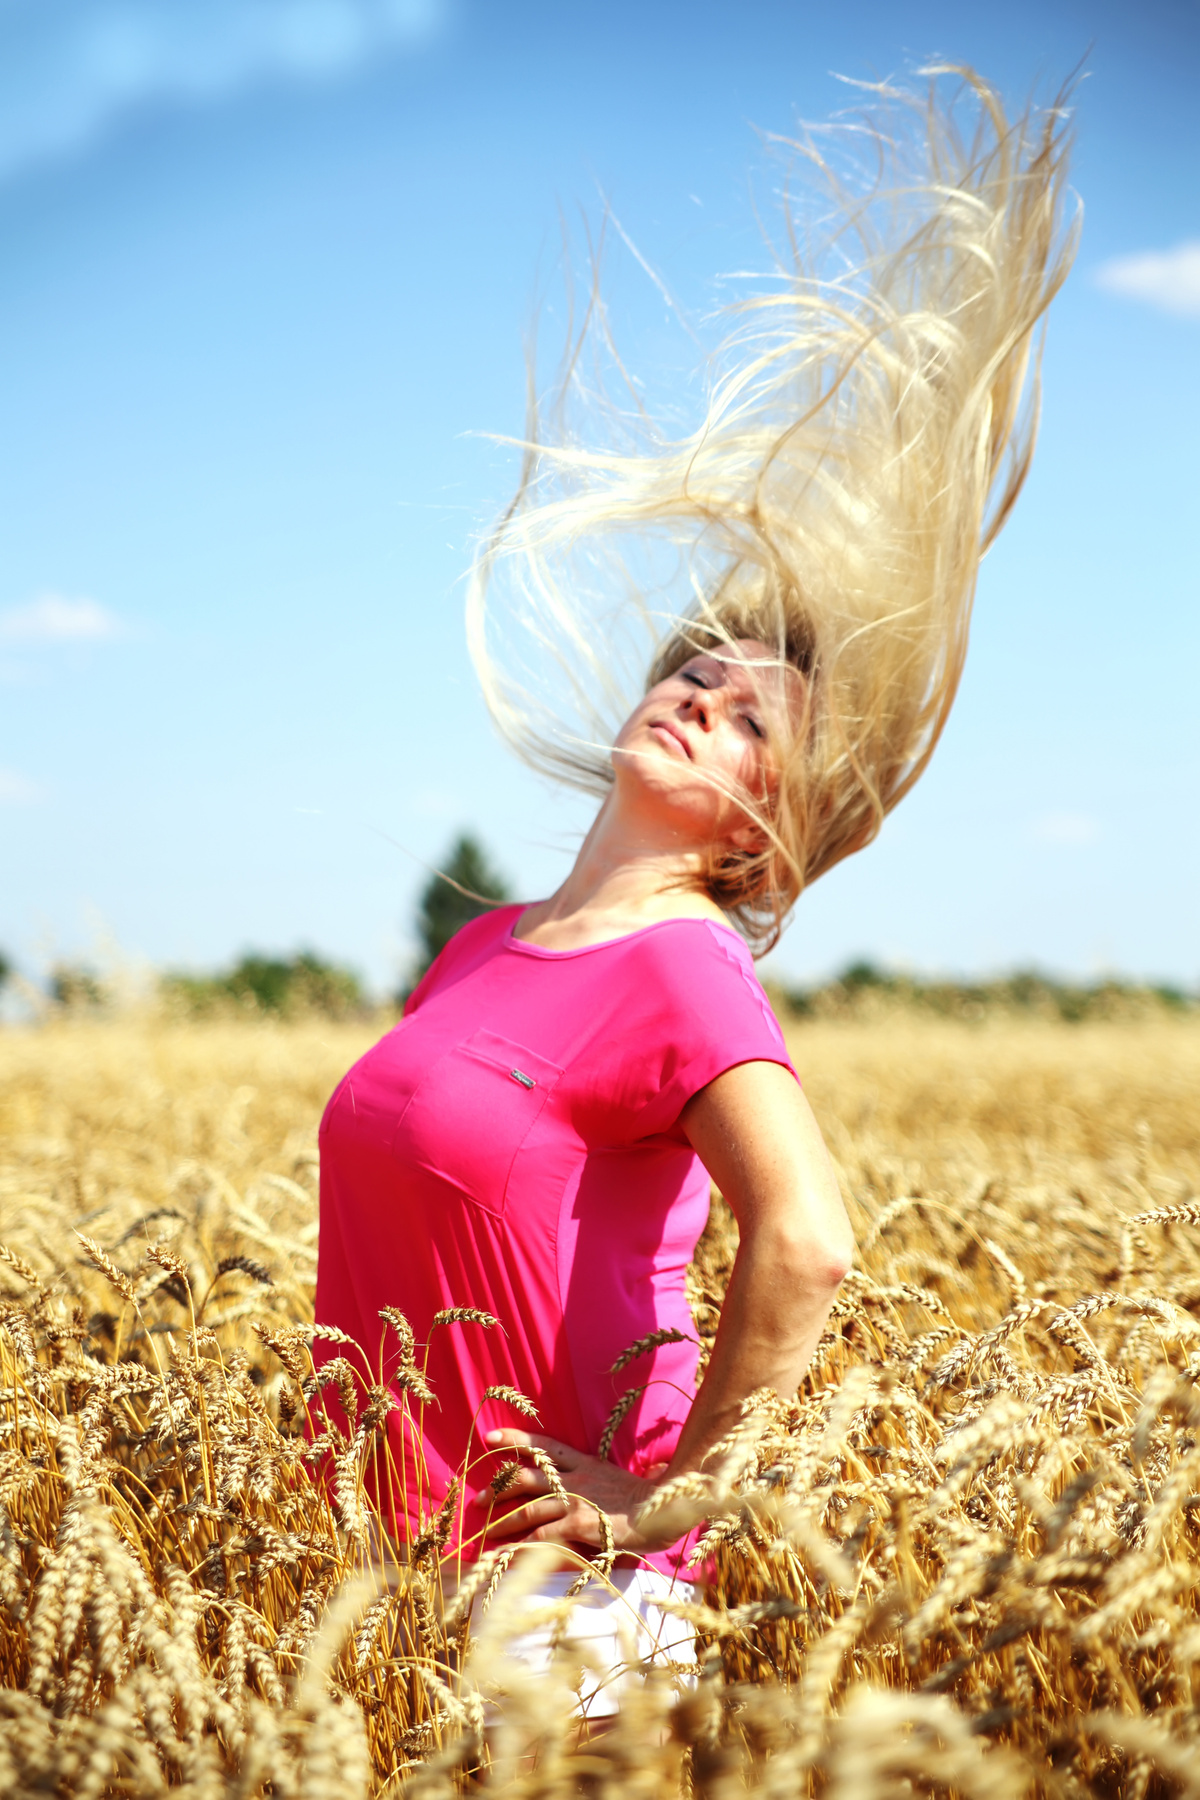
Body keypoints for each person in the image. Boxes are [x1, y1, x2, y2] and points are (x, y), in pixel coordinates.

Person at [313, 68, 1076, 1717]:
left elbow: (810, 1240)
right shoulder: (485, 944)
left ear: (761, 833)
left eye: (750, 726)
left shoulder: (685, 967)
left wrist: (663, 1508)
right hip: (376, 1574)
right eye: (697, 676)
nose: (702, 700)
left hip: (559, 1607)